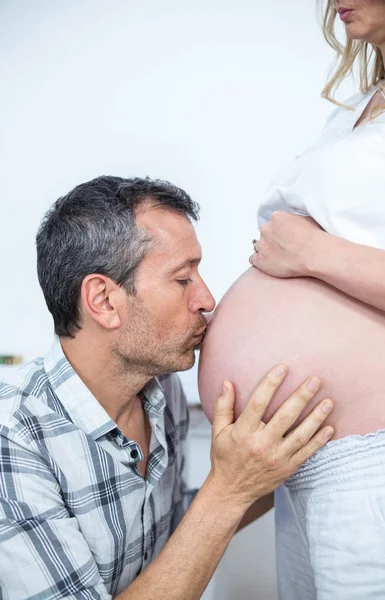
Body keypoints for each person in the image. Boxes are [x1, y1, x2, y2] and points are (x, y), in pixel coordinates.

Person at [0, 176, 335, 599]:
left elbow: (174, 531)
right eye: (182, 280)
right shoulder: (13, 438)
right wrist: (229, 488)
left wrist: (271, 463)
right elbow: (217, 504)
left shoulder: (160, 390)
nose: (206, 299)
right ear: (103, 301)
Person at [198, 1, 385, 598]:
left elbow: (315, 251)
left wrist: (313, 256)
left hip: (378, 456)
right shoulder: (359, 110)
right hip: (300, 465)